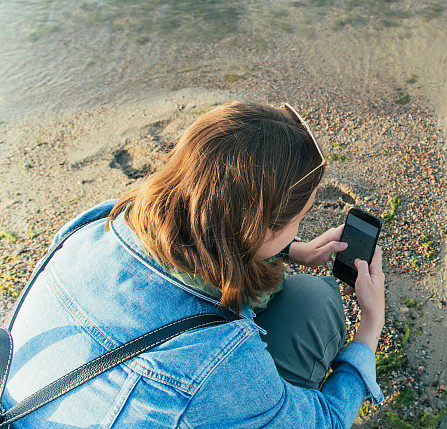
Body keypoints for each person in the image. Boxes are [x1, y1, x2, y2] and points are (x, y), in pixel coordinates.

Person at [1, 101, 385, 428]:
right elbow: (327, 420)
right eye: (299, 218)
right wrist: (369, 329)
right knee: (315, 300)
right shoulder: (220, 364)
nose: (299, 228)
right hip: (187, 382)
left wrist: (289, 249)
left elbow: (204, 221)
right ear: (259, 228)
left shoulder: (98, 225)